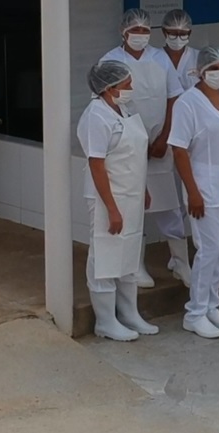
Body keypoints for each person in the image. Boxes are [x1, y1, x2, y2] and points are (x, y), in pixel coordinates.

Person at [100, 9, 191, 287]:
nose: (140, 35)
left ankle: (180, 261)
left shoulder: (159, 57)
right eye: (135, 30)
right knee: (133, 204)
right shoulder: (111, 61)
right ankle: (134, 265)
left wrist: (165, 137)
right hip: (127, 145)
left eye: (144, 30)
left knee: (169, 204)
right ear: (123, 32)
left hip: (159, 144)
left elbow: (174, 98)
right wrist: (134, 140)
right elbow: (108, 103)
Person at [168, 46, 219, 339]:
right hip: (201, 183)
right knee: (207, 249)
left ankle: (213, 304)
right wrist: (192, 192)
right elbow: (178, 149)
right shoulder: (187, 103)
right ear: (201, 71)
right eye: (213, 68)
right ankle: (195, 311)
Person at [77, 60, 159, 341]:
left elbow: (133, 157)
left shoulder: (122, 110)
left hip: (131, 193)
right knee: (106, 253)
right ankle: (106, 320)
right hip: (107, 197)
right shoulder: (95, 117)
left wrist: (143, 188)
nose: (131, 89)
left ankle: (129, 313)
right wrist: (111, 208)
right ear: (109, 88)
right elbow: (97, 165)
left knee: (129, 253)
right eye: (126, 85)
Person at [160, 8, 200, 92]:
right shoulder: (156, 58)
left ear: (189, 33)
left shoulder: (199, 57)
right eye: (173, 34)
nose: (178, 38)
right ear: (164, 32)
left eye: (183, 34)